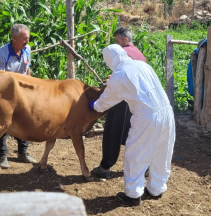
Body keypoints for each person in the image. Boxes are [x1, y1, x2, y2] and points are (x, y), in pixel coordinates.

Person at [89, 44, 176, 206]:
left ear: (110, 60)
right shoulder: (143, 65)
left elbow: (104, 103)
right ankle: (157, 189)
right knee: (161, 152)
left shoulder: (119, 75)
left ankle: (133, 195)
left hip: (147, 116)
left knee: (136, 154)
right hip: (167, 112)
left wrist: (93, 105)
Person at [91, 27, 147, 179]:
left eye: (117, 41)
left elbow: (121, 76)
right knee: (132, 132)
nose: (117, 45)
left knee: (112, 132)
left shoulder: (125, 53)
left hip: (122, 101)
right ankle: (145, 165)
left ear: (126, 40)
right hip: (137, 102)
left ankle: (105, 167)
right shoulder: (139, 54)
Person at [0, 24, 37, 168]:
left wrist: (31, 87)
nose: (27, 42)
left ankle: (23, 153)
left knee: (24, 120)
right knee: (3, 124)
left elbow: (27, 68)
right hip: (6, 93)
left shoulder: (27, 49)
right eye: (25, 39)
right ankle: (1, 156)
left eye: (28, 38)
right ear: (14, 38)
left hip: (23, 92)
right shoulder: (2, 53)